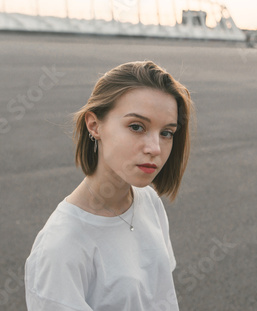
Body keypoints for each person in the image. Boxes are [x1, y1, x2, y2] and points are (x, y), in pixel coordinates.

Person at [24, 60, 195, 311]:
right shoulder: (60, 247)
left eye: (166, 132)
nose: (155, 148)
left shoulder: (149, 200)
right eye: (137, 127)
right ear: (94, 125)